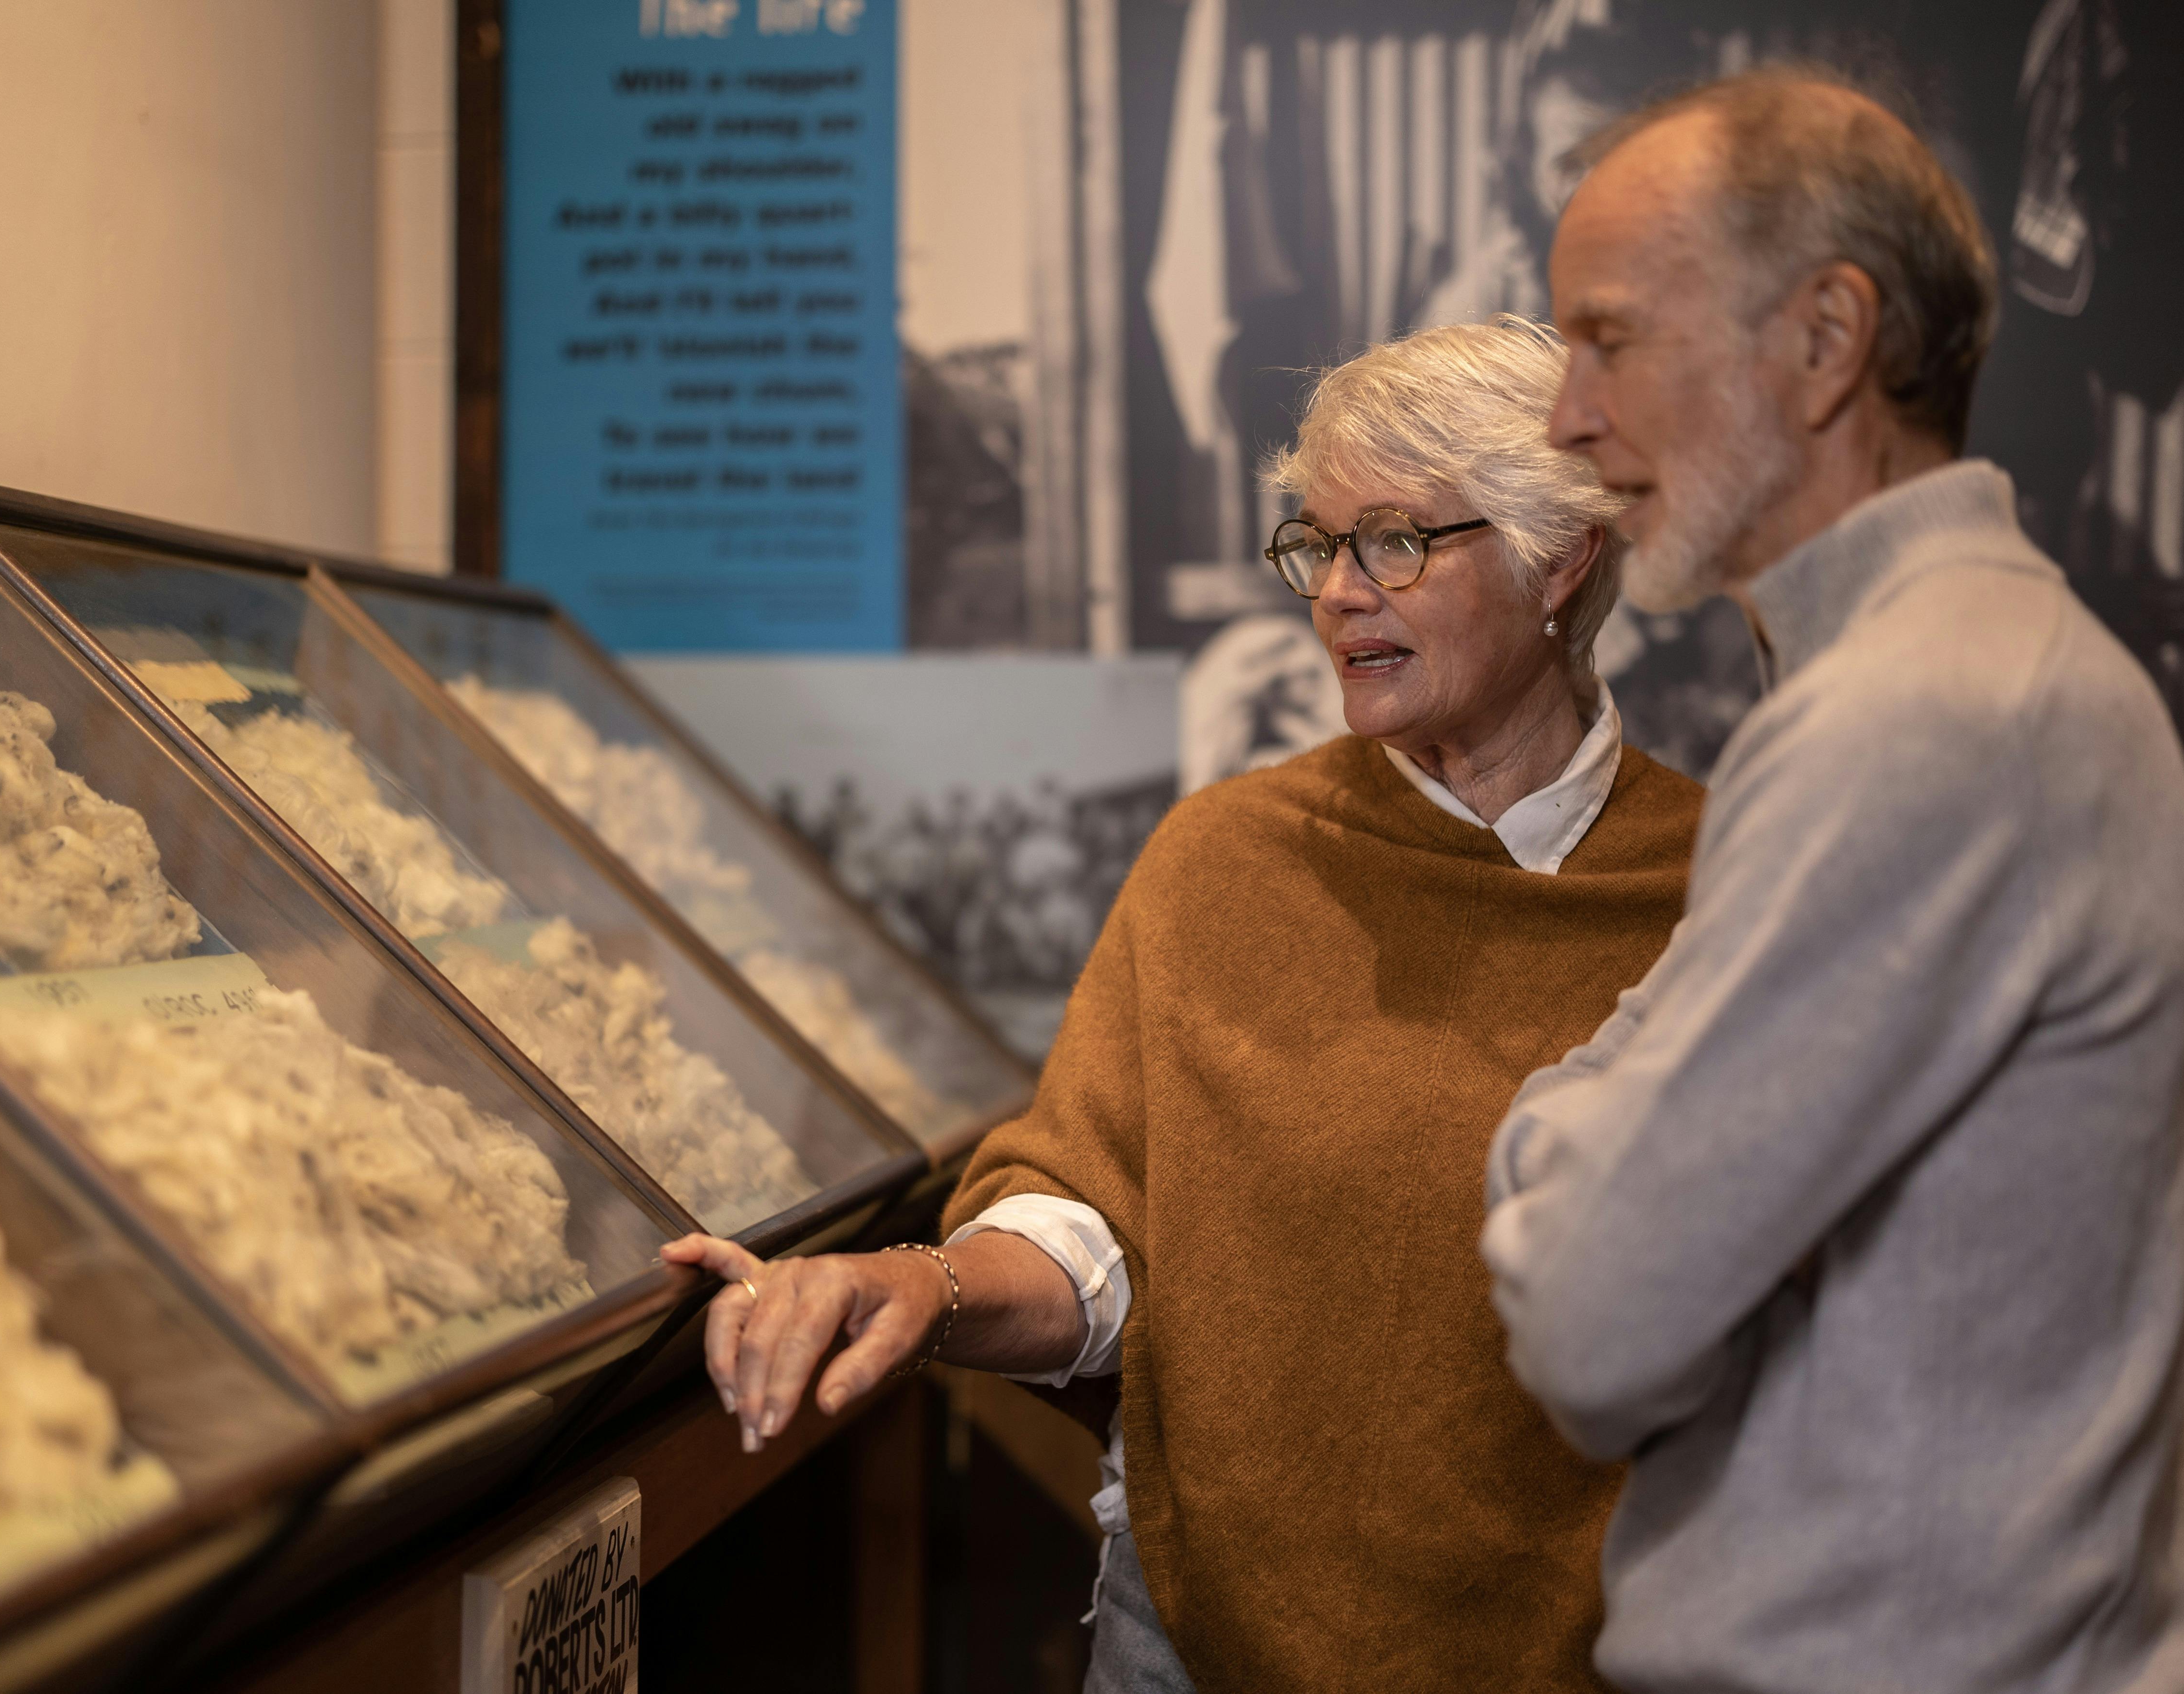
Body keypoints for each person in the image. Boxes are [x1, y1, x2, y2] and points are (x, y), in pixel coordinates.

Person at [665, 317, 1705, 1693]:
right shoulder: (1228, 862)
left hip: (1625, 1647)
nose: (1338, 593)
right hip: (1202, 1647)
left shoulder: (1725, 892)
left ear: (1559, 558)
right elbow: (1099, 1228)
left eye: (1392, 541)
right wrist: (920, 1285)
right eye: (1316, 546)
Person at [1481, 67, 2184, 1692]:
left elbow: (1591, 1327)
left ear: (1824, 344)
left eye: (1611, 337)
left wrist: (1564, 1143)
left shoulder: (1920, 718)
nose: (1566, 416)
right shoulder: (1970, 671)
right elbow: (1632, 1188)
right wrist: (1619, 1149)